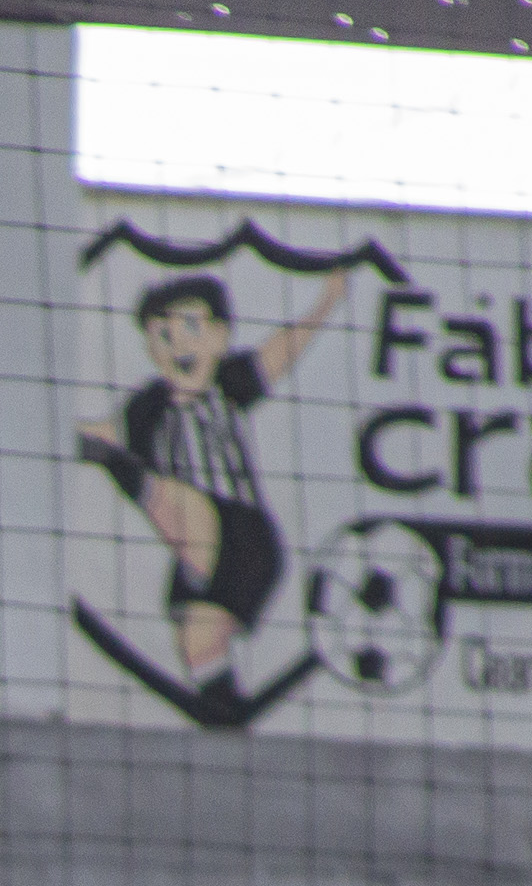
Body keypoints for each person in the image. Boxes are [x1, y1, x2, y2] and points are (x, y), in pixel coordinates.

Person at [78, 267, 350, 720]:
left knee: (187, 505)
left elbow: (281, 350)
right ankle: (224, 705)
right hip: (191, 541)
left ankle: (131, 477)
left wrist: (327, 301)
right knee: (198, 637)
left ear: (220, 337)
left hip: (245, 538)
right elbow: (102, 431)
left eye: (191, 327)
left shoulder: (230, 383)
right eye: (163, 334)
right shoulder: (148, 407)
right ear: (150, 347)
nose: (179, 344)